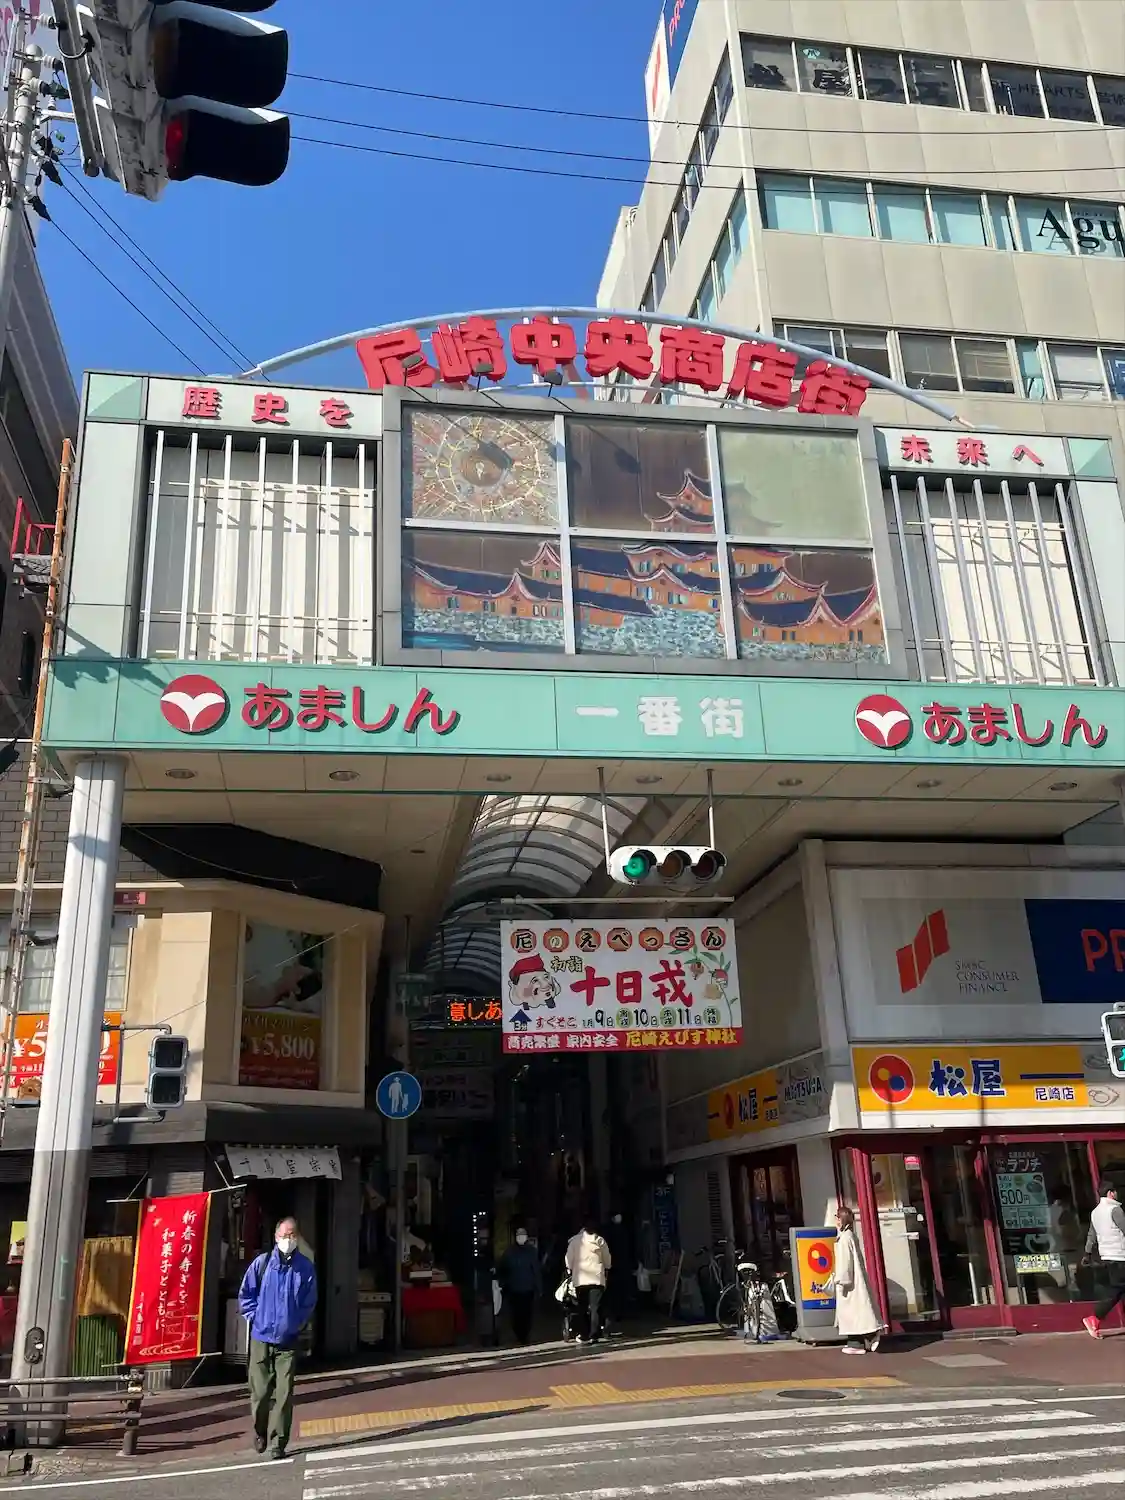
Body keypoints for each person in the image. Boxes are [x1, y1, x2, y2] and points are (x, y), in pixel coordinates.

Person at [238, 1216, 318, 1459]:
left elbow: (309, 1301)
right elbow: (246, 1294)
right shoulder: (262, 1264)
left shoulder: (305, 1267)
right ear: (275, 1237)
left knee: (284, 1395)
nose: (288, 1240)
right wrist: (255, 1317)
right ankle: (260, 1430)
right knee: (260, 1393)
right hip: (261, 1338)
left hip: (288, 1340)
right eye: (284, 1235)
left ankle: (278, 1443)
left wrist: (297, 1323)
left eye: (292, 1235)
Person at [833, 1206, 882, 1355]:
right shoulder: (850, 1235)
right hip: (855, 1280)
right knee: (858, 1311)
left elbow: (845, 1262)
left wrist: (840, 1280)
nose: (835, 1220)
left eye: (837, 1217)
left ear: (841, 1219)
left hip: (849, 1283)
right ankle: (861, 1340)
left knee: (851, 1312)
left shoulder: (844, 1238)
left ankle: (863, 1339)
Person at [1083, 1180, 1125, 1338]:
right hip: (1120, 1256)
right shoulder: (1115, 1209)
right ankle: (1094, 1318)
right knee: (1115, 1291)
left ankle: (1095, 1319)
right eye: (1115, 1191)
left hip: (1107, 1256)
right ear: (1110, 1193)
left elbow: (1091, 1235)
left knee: (1119, 1290)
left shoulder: (1095, 1212)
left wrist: (1087, 1253)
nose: (1116, 1194)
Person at [565, 1217, 611, 1345]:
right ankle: (594, 1334)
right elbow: (607, 1259)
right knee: (595, 1308)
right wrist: (606, 1268)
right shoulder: (600, 1241)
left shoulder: (575, 1241)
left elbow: (568, 1259)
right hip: (597, 1278)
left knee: (582, 1307)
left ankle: (584, 1334)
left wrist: (570, 1269)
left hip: (581, 1279)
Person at [498, 1227, 542, 1344]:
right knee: (516, 1313)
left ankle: (524, 1335)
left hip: (527, 1288)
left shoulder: (531, 1251)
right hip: (514, 1288)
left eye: (523, 1234)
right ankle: (519, 1334)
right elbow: (503, 1268)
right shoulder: (509, 1252)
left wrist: (538, 1287)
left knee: (527, 1313)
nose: (521, 1237)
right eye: (519, 1235)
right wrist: (503, 1284)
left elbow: (536, 1270)